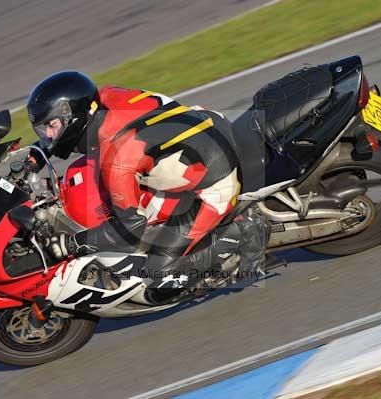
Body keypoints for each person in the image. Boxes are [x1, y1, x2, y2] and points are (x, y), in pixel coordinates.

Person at [26, 71, 267, 304]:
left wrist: (72, 244)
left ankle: (245, 234)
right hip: (205, 125)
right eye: (44, 128)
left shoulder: (117, 158)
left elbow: (131, 230)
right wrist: (36, 155)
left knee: (157, 279)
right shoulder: (107, 96)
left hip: (217, 180)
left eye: (51, 126)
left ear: (73, 117)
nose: (48, 134)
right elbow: (71, 132)